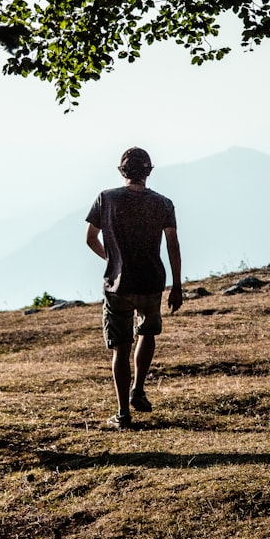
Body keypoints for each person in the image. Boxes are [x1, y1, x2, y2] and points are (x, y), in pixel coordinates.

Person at [85, 147, 183, 429]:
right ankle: (138, 389)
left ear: (122, 171)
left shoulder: (107, 199)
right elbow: (172, 245)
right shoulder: (163, 204)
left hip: (119, 284)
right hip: (152, 281)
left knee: (120, 348)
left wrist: (111, 258)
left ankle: (122, 413)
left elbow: (90, 238)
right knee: (147, 333)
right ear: (149, 171)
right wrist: (177, 285)